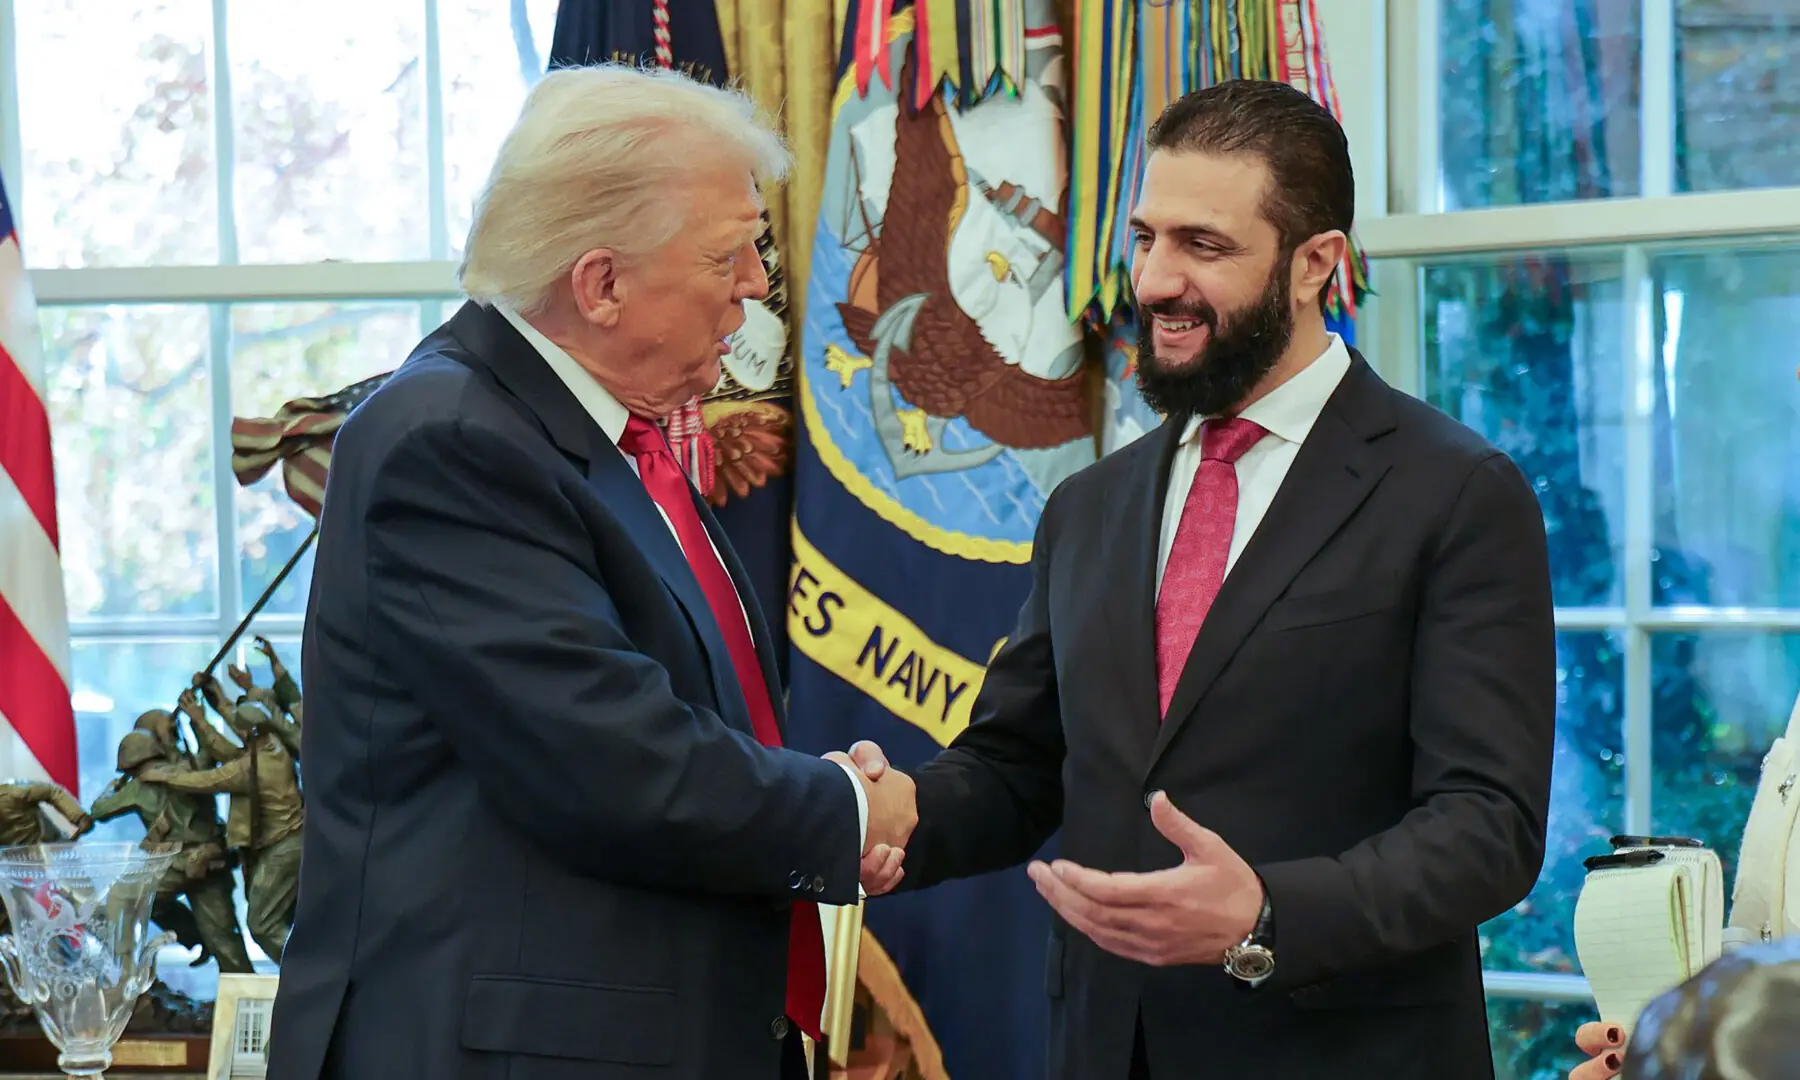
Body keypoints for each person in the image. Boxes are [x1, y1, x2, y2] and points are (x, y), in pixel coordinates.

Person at [848, 79, 1557, 1079]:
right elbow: (1020, 766)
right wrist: (896, 815)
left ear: (1316, 264)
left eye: (1204, 245)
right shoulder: (1088, 506)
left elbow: (1489, 826)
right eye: (1145, 238)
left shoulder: (1455, 493)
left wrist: (1265, 911)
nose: (1152, 281)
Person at [263, 65, 913, 1080]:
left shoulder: (604, 439)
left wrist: (817, 797)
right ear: (601, 283)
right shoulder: (448, 442)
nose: (756, 283)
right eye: (729, 253)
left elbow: (683, 722)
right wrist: (844, 810)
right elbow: (613, 760)